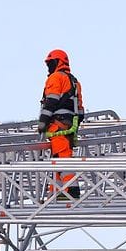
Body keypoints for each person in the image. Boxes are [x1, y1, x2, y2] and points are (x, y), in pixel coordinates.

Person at [37, 49, 84, 199]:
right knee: (57, 156)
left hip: (58, 125)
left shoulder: (56, 78)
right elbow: (80, 109)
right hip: (70, 126)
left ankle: (71, 190)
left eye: (50, 63)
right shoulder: (75, 81)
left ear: (57, 63)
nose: (48, 67)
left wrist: (43, 122)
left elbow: (51, 101)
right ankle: (57, 191)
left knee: (62, 156)